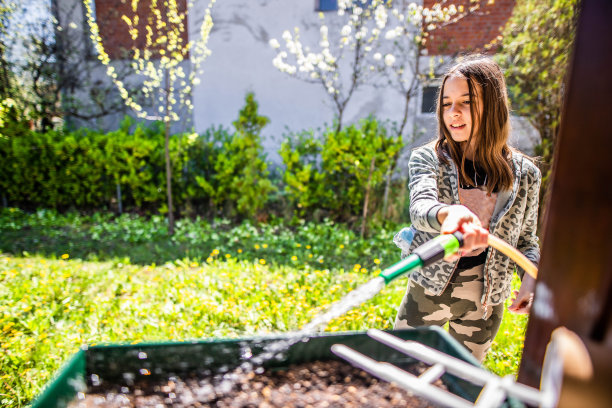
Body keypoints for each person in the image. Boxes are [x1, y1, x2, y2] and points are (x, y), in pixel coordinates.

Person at [393, 55, 541, 362]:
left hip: (484, 301)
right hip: (428, 290)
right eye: (446, 103)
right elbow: (421, 208)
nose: (453, 112)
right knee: (404, 370)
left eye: (466, 101)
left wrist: (530, 275)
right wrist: (450, 214)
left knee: (463, 381)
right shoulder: (428, 158)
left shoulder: (526, 174)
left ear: (494, 106)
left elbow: (526, 240)